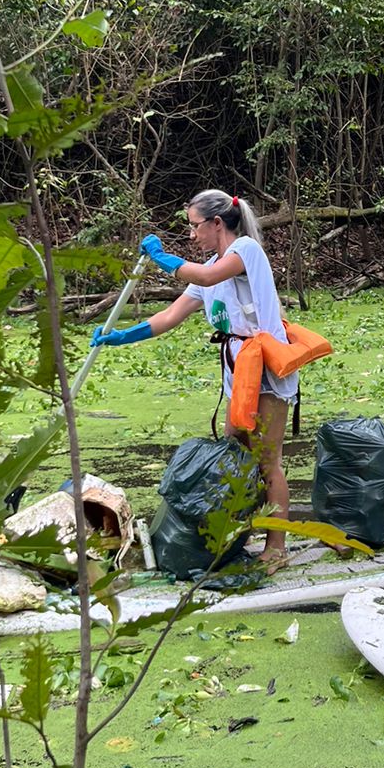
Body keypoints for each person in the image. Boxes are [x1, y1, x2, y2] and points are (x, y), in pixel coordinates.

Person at [91, 192, 300, 573]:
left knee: (268, 462)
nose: (191, 234)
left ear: (217, 223)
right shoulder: (209, 269)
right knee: (237, 457)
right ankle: (242, 533)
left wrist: (161, 259)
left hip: (268, 371)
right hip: (237, 370)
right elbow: (170, 315)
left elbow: (205, 275)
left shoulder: (246, 251)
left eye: (194, 225)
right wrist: (121, 336)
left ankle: (277, 547)